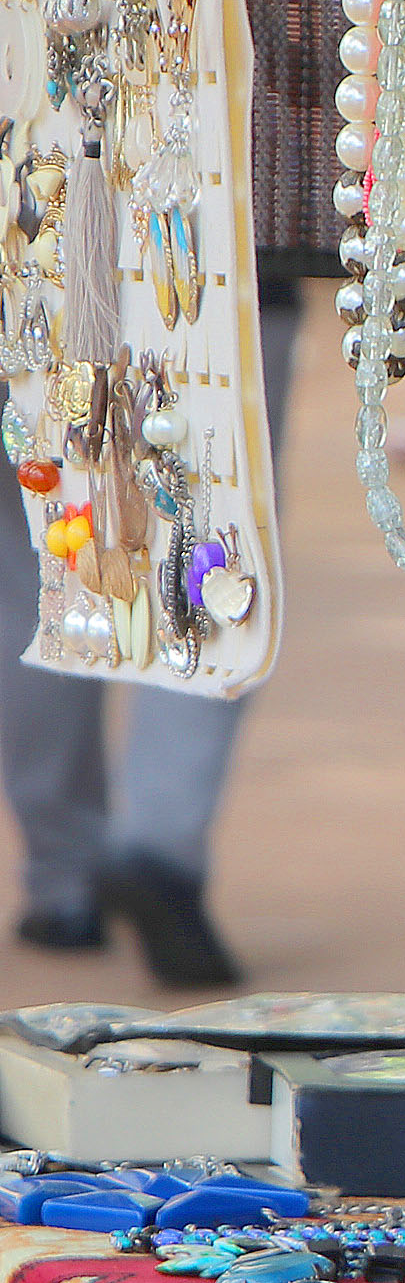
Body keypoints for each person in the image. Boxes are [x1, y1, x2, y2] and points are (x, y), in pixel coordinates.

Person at [1, 279, 302, 987]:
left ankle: (62, 874)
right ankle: (159, 841)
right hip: (219, 249)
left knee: (36, 548)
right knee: (214, 543)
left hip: (21, 241)